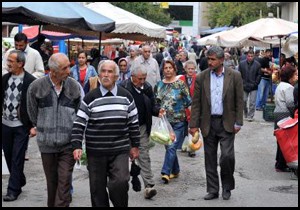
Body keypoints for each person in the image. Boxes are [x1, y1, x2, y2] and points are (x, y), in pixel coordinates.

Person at [71, 60, 140, 207]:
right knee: (97, 190)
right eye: (103, 71)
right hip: (96, 151)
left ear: (116, 76)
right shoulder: (90, 97)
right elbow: (79, 122)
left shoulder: (126, 97)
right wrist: (76, 145)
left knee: (120, 182)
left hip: (119, 149)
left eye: (110, 72)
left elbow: (133, 123)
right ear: (99, 75)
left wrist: (135, 146)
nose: (106, 75)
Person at [27, 53, 82, 207]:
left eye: (69, 66)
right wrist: (43, 127)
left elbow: (79, 114)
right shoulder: (37, 87)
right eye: (65, 68)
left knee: (64, 182)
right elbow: (32, 112)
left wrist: (77, 140)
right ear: (53, 70)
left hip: (68, 144)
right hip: (46, 143)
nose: (69, 70)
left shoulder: (74, 86)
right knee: (52, 184)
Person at [189, 46, 244, 200]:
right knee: (209, 158)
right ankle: (213, 189)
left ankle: (227, 186)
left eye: (213, 59)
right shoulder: (202, 77)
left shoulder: (235, 76)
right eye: (209, 59)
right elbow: (196, 103)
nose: (210, 62)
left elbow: (239, 101)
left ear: (221, 60)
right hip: (208, 122)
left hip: (227, 122)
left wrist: (239, 122)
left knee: (227, 157)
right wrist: (193, 125)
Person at [120, 64, 162, 199]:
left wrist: (158, 111)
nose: (142, 81)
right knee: (123, 156)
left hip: (142, 126)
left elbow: (153, 103)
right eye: (140, 79)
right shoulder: (123, 88)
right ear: (132, 77)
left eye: (144, 78)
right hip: (125, 128)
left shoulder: (147, 87)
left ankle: (149, 186)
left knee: (143, 154)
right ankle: (121, 184)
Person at [2, 50, 36, 202]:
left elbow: (36, 104)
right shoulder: (4, 79)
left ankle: (13, 190)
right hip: (5, 124)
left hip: (21, 126)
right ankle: (19, 179)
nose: (8, 63)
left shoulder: (31, 81)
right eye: (8, 60)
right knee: (9, 156)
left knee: (17, 157)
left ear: (20, 63)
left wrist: (34, 125)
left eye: (11, 61)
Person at [154, 60, 191, 184]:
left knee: (171, 146)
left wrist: (193, 121)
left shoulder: (181, 84)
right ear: (163, 70)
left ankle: (166, 172)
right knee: (170, 148)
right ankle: (176, 170)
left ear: (174, 69)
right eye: (166, 68)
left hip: (179, 121)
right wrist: (158, 111)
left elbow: (188, 102)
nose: (168, 70)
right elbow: (156, 103)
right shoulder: (159, 85)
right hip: (165, 123)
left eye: (170, 67)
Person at [273, 66, 298, 172]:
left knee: (281, 139)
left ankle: (279, 162)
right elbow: (290, 103)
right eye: (295, 74)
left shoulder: (280, 85)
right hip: (285, 114)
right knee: (286, 140)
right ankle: (281, 164)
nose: (296, 77)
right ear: (290, 76)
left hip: (278, 113)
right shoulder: (288, 87)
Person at [179, 60, 198, 157]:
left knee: (193, 127)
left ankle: (192, 148)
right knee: (183, 127)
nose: (190, 70)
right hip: (183, 107)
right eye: (189, 68)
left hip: (194, 107)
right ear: (185, 69)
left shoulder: (198, 79)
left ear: (195, 69)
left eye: (192, 69)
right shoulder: (181, 79)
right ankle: (184, 144)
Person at [238, 50, 262, 121]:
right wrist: (242, 83)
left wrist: (256, 83)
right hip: (244, 85)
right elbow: (239, 74)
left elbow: (259, 75)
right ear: (246, 56)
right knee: (243, 100)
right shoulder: (241, 64)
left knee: (252, 102)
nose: (250, 57)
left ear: (254, 56)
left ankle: (250, 116)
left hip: (253, 86)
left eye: (251, 56)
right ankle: (245, 112)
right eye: (249, 56)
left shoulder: (257, 64)